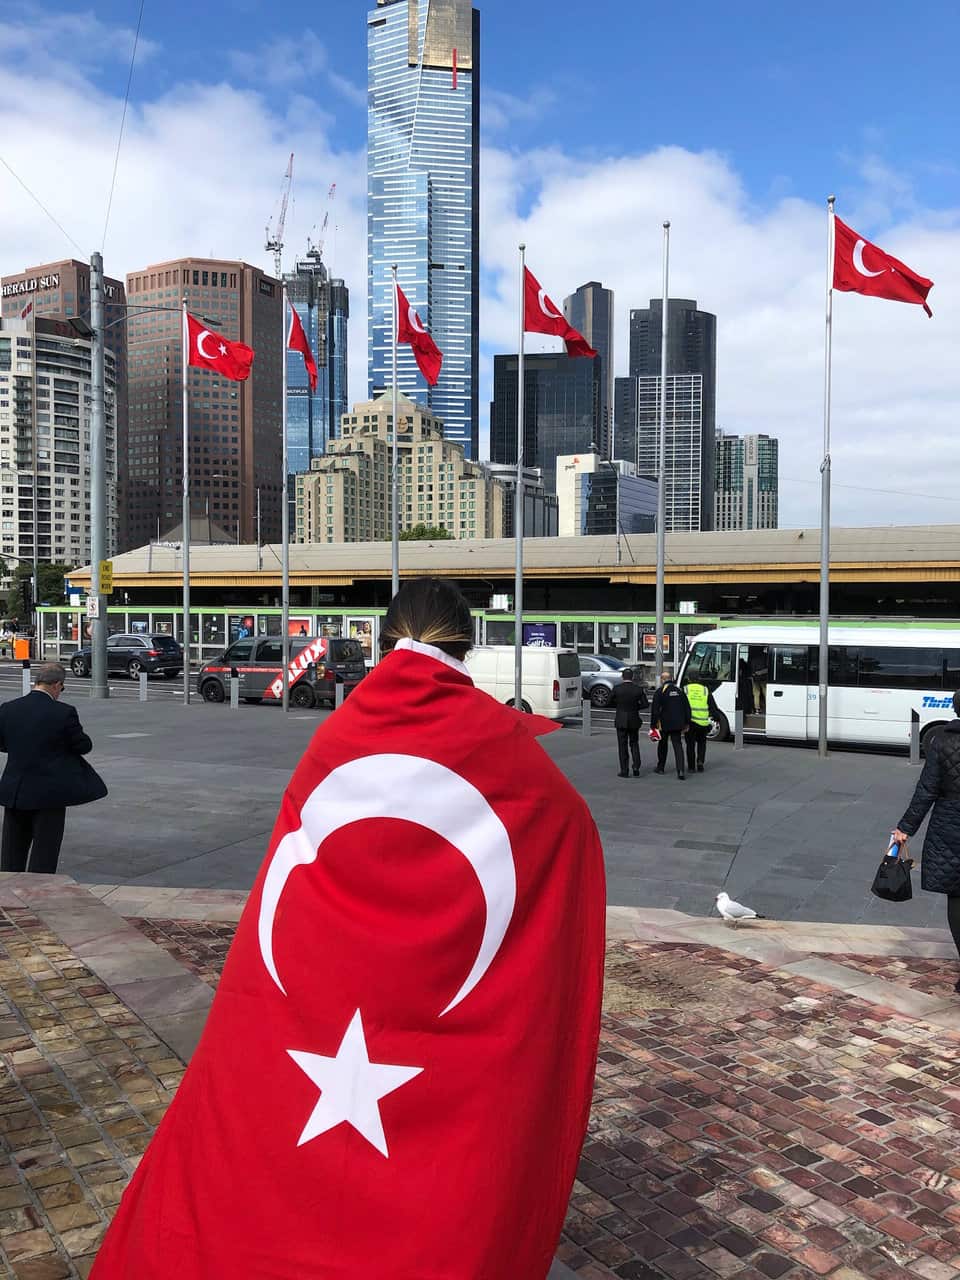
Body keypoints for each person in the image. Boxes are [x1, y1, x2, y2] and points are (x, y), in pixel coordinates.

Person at [90, 578, 606, 1280]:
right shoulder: (507, 750)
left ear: (387, 641)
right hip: (443, 1022)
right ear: (470, 645)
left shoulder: (338, 735)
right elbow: (567, 836)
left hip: (321, 1005)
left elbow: (294, 870)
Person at [0, 662, 107, 874]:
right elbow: (83, 745)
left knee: (12, 851)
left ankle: (8, 893)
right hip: (50, 792)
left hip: (16, 790)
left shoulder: (8, 708)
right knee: (45, 850)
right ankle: (37, 895)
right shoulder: (63, 712)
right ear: (57, 685)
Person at [892, 692, 960, 990]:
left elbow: (927, 790)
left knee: (956, 898)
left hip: (949, 826)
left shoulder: (941, 740)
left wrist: (905, 828)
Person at [651, 667, 691, 780]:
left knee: (662, 745)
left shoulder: (660, 692)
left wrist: (653, 726)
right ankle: (681, 770)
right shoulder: (679, 691)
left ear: (662, 680)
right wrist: (687, 723)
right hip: (678, 724)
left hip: (664, 724)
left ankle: (661, 767)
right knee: (677, 745)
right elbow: (687, 708)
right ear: (671, 679)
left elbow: (655, 710)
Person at [610, 667, 649, 777]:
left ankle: (624, 770)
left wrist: (619, 705)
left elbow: (609, 700)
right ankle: (636, 766)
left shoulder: (617, 689)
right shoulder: (638, 689)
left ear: (623, 677)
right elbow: (645, 704)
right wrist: (636, 707)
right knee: (634, 743)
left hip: (621, 719)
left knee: (622, 746)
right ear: (632, 677)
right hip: (634, 719)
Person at [684, 676, 720, 773]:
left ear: (689, 679)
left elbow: (682, 705)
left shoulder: (686, 689)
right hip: (703, 722)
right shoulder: (705, 690)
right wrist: (717, 718)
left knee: (690, 745)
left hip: (690, 722)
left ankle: (691, 767)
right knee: (702, 743)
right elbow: (712, 706)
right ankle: (700, 762)